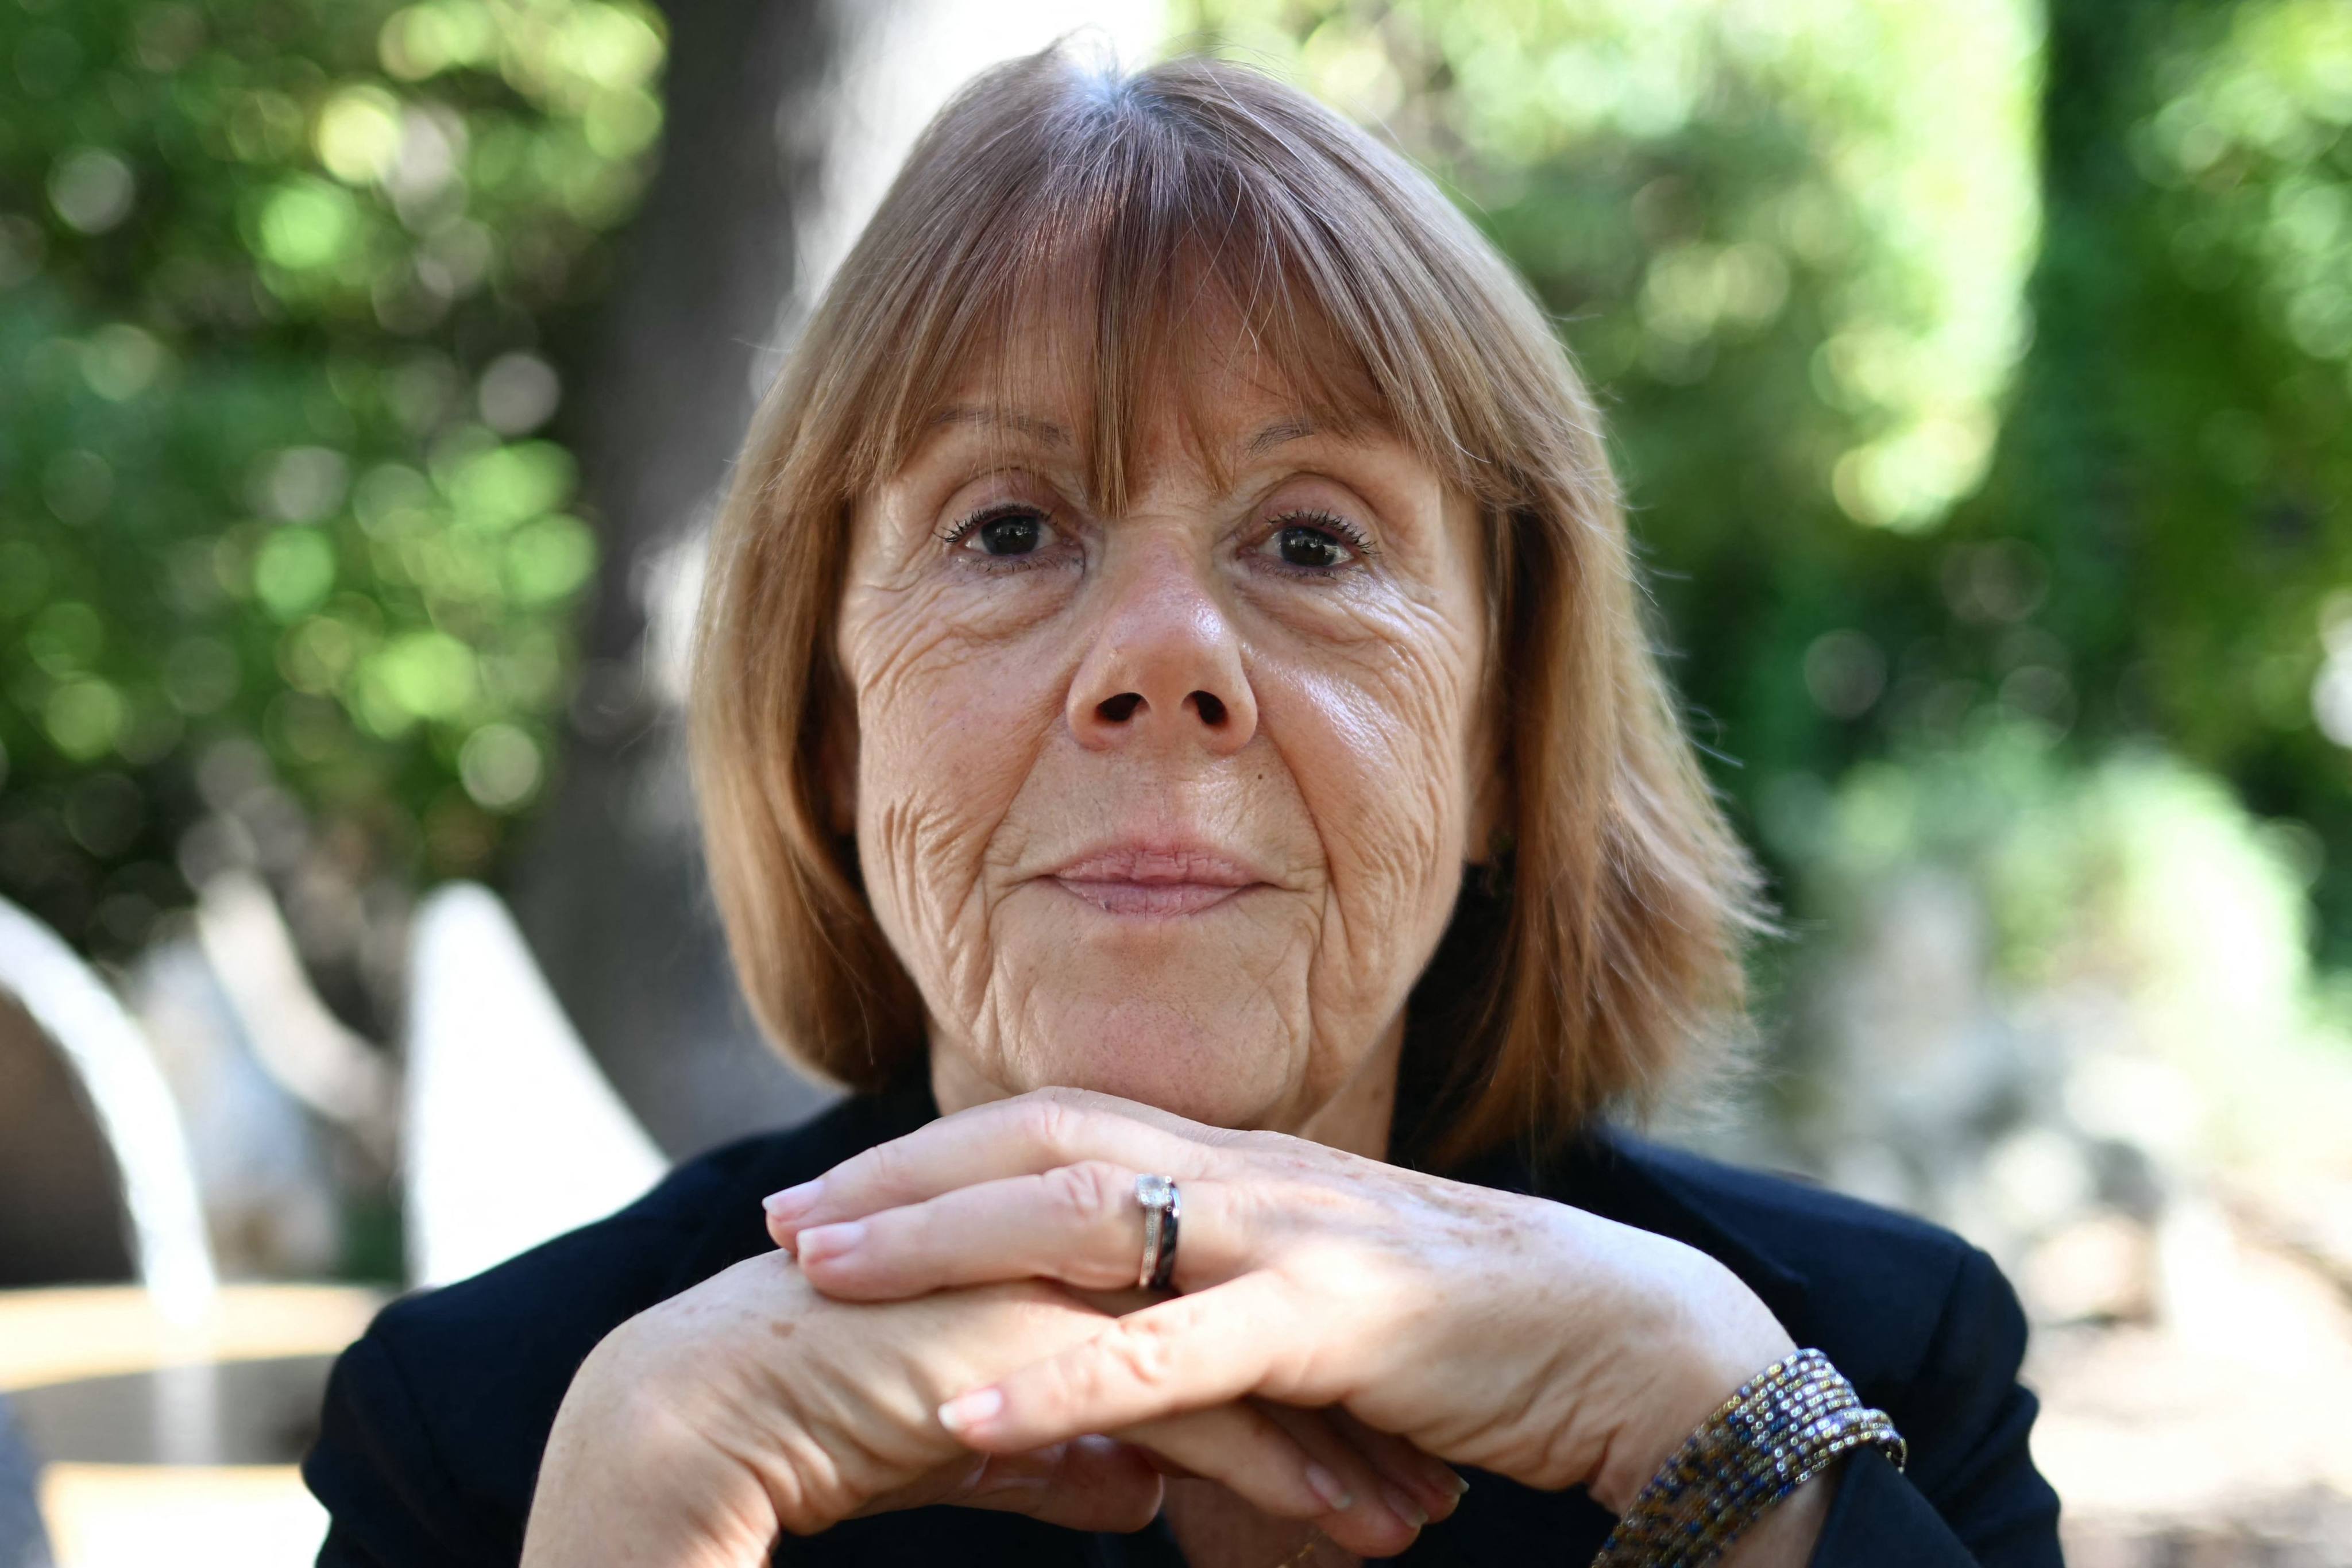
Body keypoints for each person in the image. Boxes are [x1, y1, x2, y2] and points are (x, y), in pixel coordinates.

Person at [303, 45, 2063, 1568]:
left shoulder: (1862, 1374)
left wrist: (1731, 1461)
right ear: (832, 729)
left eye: (1312, 540)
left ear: (1503, 743)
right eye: (1008, 529)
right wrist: (636, 1505)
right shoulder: (496, 1428)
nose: (1159, 657)